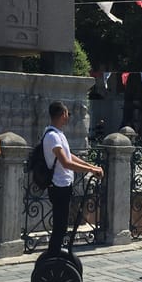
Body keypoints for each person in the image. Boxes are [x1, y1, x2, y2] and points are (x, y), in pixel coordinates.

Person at [44, 101, 104, 255]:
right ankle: (53, 256)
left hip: (63, 184)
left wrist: (91, 166)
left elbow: (70, 156)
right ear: (63, 114)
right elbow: (66, 163)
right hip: (58, 185)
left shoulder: (58, 134)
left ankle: (55, 254)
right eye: (67, 114)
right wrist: (90, 169)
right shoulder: (52, 136)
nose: (68, 117)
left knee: (62, 225)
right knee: (60, 225)